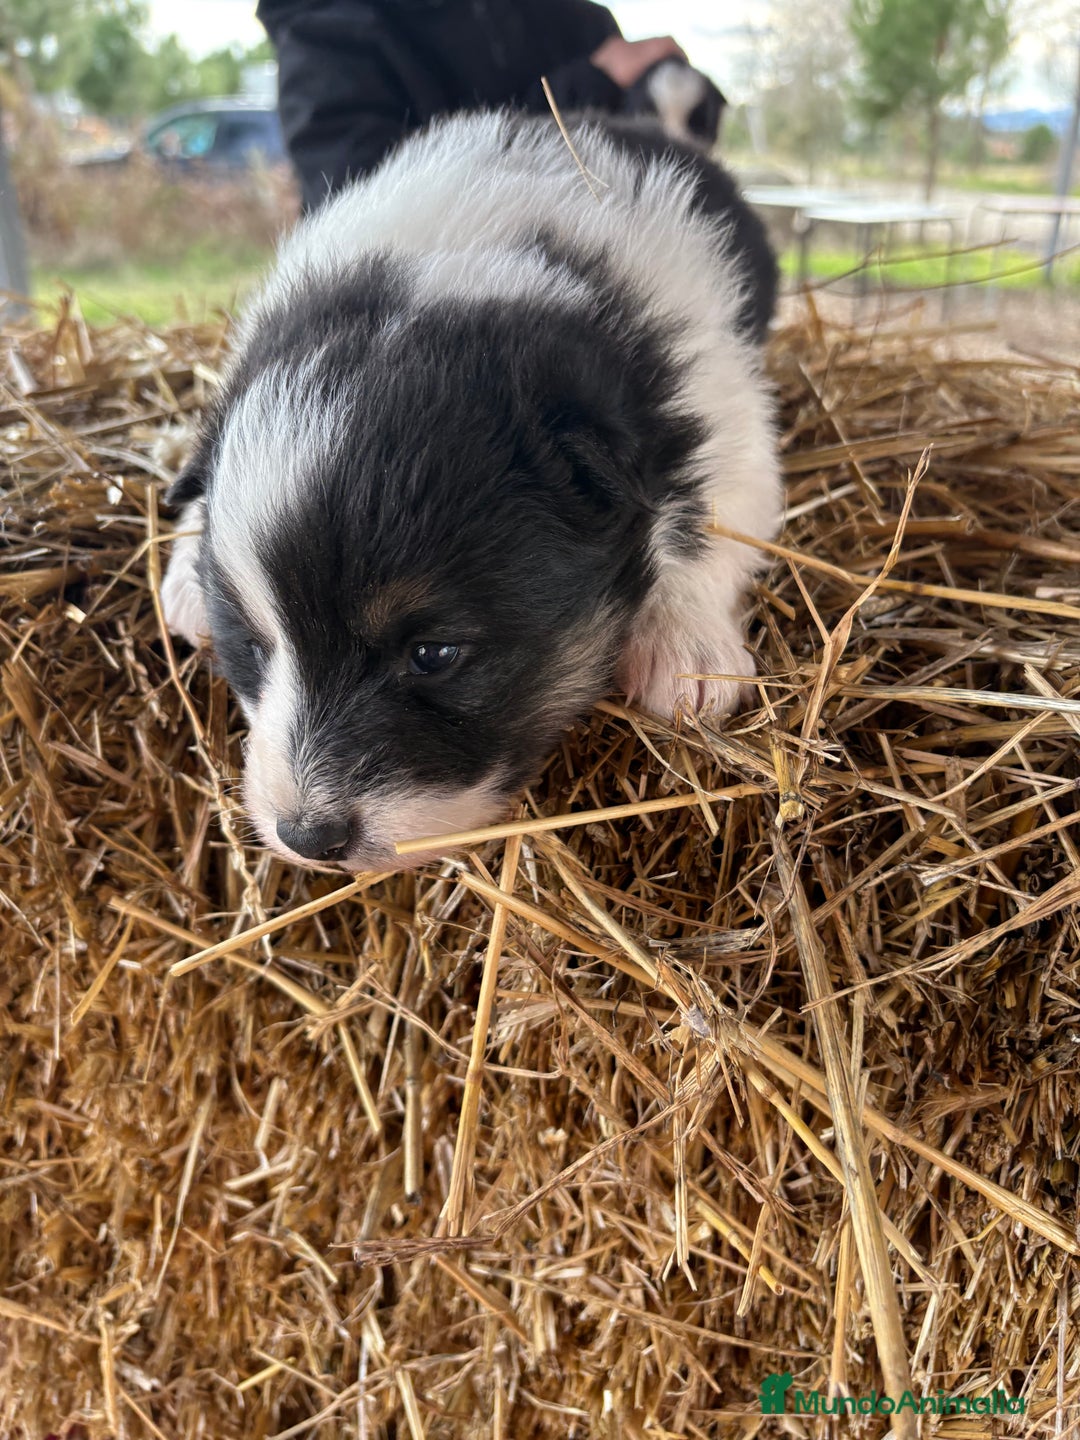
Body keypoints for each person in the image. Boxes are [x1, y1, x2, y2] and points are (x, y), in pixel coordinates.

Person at [255, 0, 701, 210]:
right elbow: (362, 202)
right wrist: (589, 85)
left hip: (595, 285)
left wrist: (669, 96)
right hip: (419, 315)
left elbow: (637, 185)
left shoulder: (575, 20)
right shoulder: (327, 32)